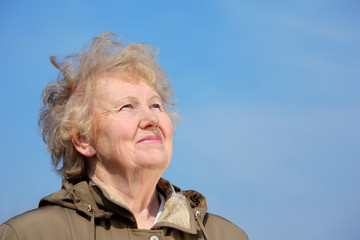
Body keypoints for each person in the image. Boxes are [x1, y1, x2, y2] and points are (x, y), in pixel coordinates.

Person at [0, 32, 248, 240]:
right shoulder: (29, 235)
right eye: (126, 107)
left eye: (155, 106)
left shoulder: (224, 235)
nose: (152, 120)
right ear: (83, 140)